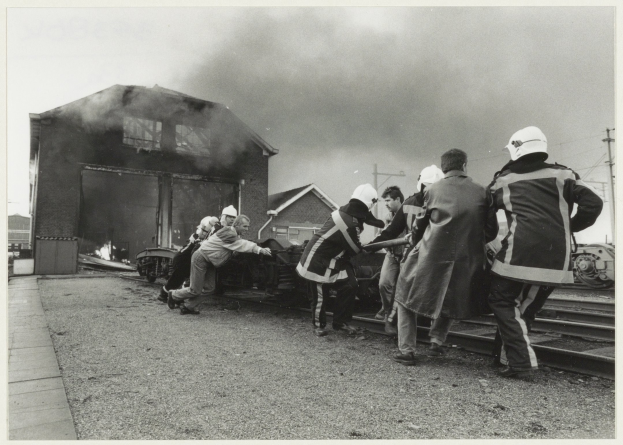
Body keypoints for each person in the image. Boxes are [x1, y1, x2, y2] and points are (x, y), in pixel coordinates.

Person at [487, 126, 603, 377]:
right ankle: (505, 358)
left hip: (515, 258)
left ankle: (521, 364)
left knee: (501, 300)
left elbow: (484, 215)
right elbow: (594, 203)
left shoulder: (503, 180)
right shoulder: (564, 175)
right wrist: (569, 226)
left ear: (516, 149)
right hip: (556, 260)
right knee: (524, 308)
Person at [393, 149, 498, 366]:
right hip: (468, 261)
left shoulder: (431, 191)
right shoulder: (482, 191)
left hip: (432, 257)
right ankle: (436, 342)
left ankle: (407, 351)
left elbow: (419, 229)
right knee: (449, 296)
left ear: (443, 168)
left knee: (404, 295)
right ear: (465, 165)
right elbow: (492, 230)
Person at [296, 184, 385, 336]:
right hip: (316, 260)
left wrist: (380, 224)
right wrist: (374, 244)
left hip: (334, 259)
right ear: (369, 203)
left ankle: (340, 322)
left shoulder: (348, 210)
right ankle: (319, 325)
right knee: (319, 296)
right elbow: (355, 249)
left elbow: (366, 216)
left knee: (350, 285)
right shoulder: (348, 222)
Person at [368, 165, 444, 334]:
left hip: (423, 257)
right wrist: (370, 247)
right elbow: (391, 231)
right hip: (409, 256)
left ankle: (421, 332)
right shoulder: (409, 204)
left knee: (412, 292)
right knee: (390, 286)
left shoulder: (441, 204)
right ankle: (392, 319)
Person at [167, 214, 272, 314]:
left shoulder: (232, 233)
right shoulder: (229, 234)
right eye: (245, 226)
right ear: (237, 225)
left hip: (209, 261)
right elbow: (242, 244)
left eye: (248, 226)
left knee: (209, 289)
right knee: (195, 289)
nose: (247, 229)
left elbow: (237, 244)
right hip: (201, 258)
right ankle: (173, 295)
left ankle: (188, 307)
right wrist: (259, 249)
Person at [157, 215, 219, 303]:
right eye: (204, 231)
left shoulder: (197, 237)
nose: (205, 233)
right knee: (176, 280)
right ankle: (164, 294)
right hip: (182, 260)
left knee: (179, 280)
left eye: (206, 231)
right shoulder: (197, 238)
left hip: (184, 260)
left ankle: (173, 296)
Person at [371, 186, 404, 324]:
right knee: (384, 284)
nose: (386, 204)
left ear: (398, 199)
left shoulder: (408, 214)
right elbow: (382, 235)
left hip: (407, 256)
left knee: (402, 288)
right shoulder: (388, 217)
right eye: (384, 200)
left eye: (388, 200)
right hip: (392, 255)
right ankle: (387, 311)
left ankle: (392, 317)